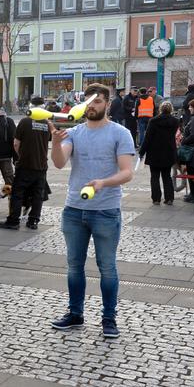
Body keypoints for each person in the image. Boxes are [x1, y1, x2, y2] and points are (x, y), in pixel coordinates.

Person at [49, 83, 134, 339]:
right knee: (74, 266)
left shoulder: (120, 133)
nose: (91, 107)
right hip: (74, 209)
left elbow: (127, 172)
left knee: (106, 267)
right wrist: (54, 143)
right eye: (87, 102)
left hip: (105, 210)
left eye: (96, 102)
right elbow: (59, 163)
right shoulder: (75, 132)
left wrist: (102, 183)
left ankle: (109, 319)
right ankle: (75, 314)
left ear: (107, 104)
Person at [0, 96, 50, 230]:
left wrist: (20, 156)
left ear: (30, 106)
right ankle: (33, 221)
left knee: (18, 193)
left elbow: (16, 143)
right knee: (37, 195)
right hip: (41, 165)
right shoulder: (46, 123)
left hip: (26, 164)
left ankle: (14, 220)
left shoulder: (25, 121)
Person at [139, 101, 178, 205]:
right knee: (167, 176)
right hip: (168, 151)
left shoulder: (153, 121)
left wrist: (142, 152)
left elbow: (147, 138)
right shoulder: (175, 121)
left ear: (160, 109)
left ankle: (156, 198)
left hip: (154, 151)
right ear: (171, 110)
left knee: (154, 176)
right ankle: (169, 198)